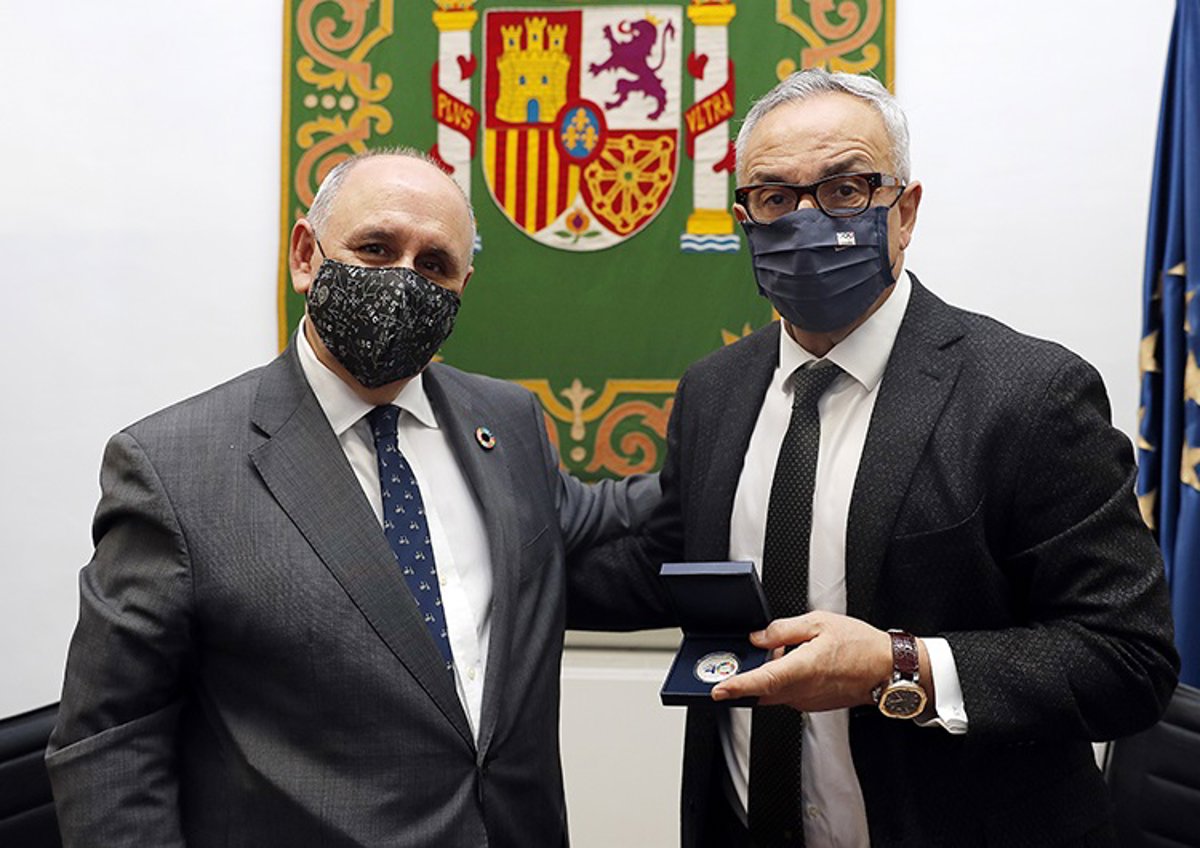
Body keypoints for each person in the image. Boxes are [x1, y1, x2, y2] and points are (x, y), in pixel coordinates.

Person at [568, 69, 1179, 847]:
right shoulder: (714, 390)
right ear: (746, 219)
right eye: (776, 197)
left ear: (905, 210)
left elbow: (1126, 660)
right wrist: (476, 571)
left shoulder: (1031, 393)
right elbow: (665, 564)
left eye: (845, 190)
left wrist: (897, 665)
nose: (808, 219)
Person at [46, 148, 656, 848]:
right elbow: (110, 743)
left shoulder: (507, 424)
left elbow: (621, 525)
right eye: (376, 249)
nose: (404, 279)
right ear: (306, 255)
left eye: (434, 264)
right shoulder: (175, 469)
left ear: (462, 286)